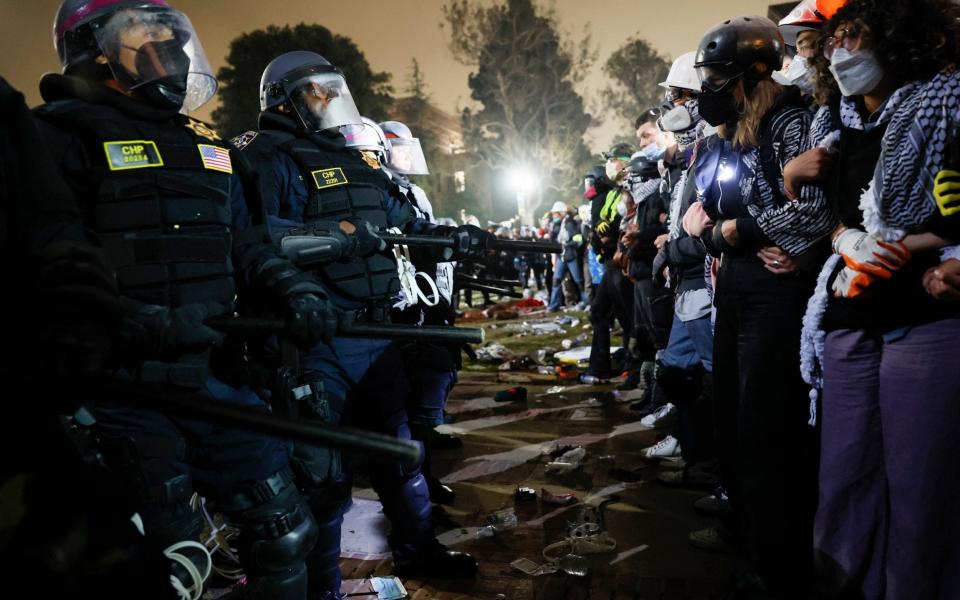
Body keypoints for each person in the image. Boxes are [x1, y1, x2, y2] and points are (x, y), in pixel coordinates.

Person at [35, 2, 344, 598]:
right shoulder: (53, 135)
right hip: (121, 391)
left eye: (170, 34)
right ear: (90, 48)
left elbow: (245, 244)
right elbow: (48, 258)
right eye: (142, 32)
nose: (165, 45)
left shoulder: (206, 145)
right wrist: (129, 319)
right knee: (165, 566)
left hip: (215, 373)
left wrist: (295, 288)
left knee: (285, 532)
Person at [232, 50, 481, 599]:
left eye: (330, 89)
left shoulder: (352, 160)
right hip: (315, 344)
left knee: (400, 455)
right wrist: (335, 240)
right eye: (314, 92)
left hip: (377, 337)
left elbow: (402, 220)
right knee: (323, 481)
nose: (328, 100)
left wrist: (447, 235)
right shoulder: (264, 158)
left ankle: (421, 549)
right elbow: (253, 242)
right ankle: (324, 591)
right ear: (284, 100)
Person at [785, 1, 960, 596]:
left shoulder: (943, 103)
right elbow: (823, 212)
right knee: (843, 472)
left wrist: (916, 245)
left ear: (895, 37)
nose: (839, 50)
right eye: (832, 40)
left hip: (925, 315)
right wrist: (844, 235)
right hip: (850, 312)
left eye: (853, 36)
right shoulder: (831, 123)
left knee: (919, 486)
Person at [682, 15, 834, 596]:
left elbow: (811, 215)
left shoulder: (791, 124)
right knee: (734, 426)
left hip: (776, 295)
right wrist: (723, 234)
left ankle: (781, 572)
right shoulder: (733, 136)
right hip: (739, 288)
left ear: (753, 74)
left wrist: (736, 232)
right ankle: (754, 551)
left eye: (719, 77)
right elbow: (707, 218)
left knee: (768, 436)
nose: (709, 91)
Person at [583, 142, 637, 383]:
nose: (610, 165)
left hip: (623, 259)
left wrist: (611, 230)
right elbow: (607, 216)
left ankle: (635, 370)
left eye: (613, 159)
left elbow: (631, 221)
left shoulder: (635, 185)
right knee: (599, 312)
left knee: (629, 319)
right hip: (611, 260)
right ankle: (600, 368)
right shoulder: (614, 191)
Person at [546, 201, 586, 310]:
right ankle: (553, 305)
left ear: (561, 213)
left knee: (579, 280)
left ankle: (586, 302)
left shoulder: (569, 224)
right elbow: (553, 240)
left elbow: (579, 239)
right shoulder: (558, 225)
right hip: (561, 257)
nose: (553, 216)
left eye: (555, 214)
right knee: (556, 280)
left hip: (571, 256)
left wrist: (567, 245)